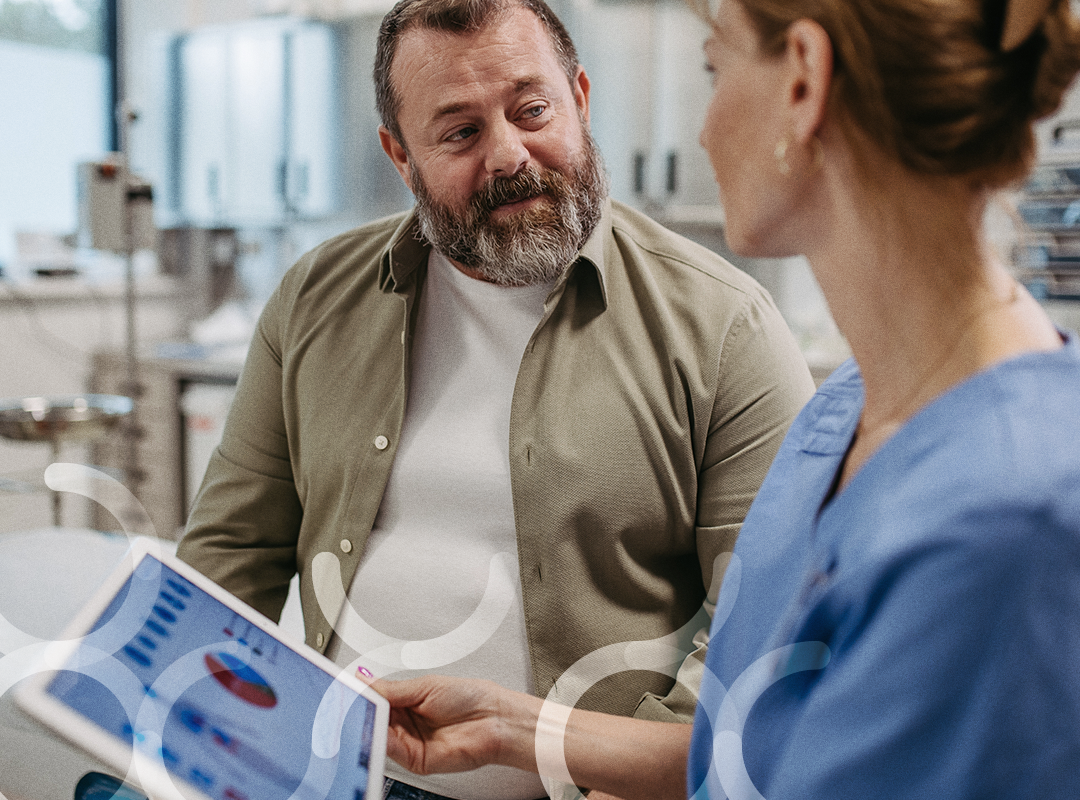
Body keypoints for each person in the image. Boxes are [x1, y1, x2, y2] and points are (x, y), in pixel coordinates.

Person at [369, 0, 1080, 798]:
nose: (703, 129)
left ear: (804, 83)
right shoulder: (843, 415)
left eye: (716, 68)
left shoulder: (1011, 519)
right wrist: (515, 728)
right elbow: (755, 753)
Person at [176, 0, 815, 798]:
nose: (510, 154)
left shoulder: (726, 327)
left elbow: (760, 629)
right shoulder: (315, 298)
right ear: (400, 158)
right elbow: (229, 561)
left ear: (579, 99)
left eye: (532, 109)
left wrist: (622, 782)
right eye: (460, 132)